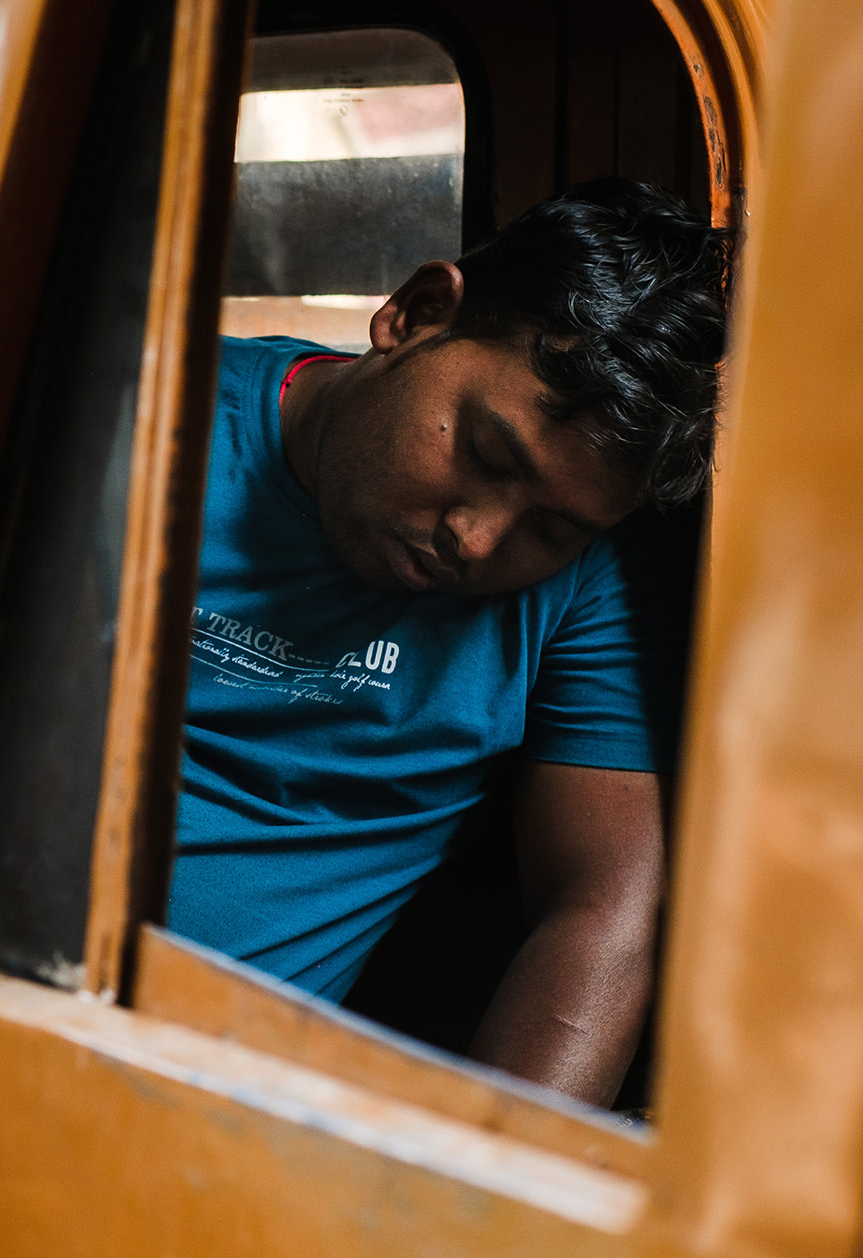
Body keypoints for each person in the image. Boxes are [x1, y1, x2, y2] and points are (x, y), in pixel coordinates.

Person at [173, 177, 730, 1107]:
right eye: (486, 454)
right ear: (415, 314)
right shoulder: (139, 415)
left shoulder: (589, 581)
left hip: (231, 1123)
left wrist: (488, 1198)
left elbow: (604, 906)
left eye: (549, 528)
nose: (476, 539)